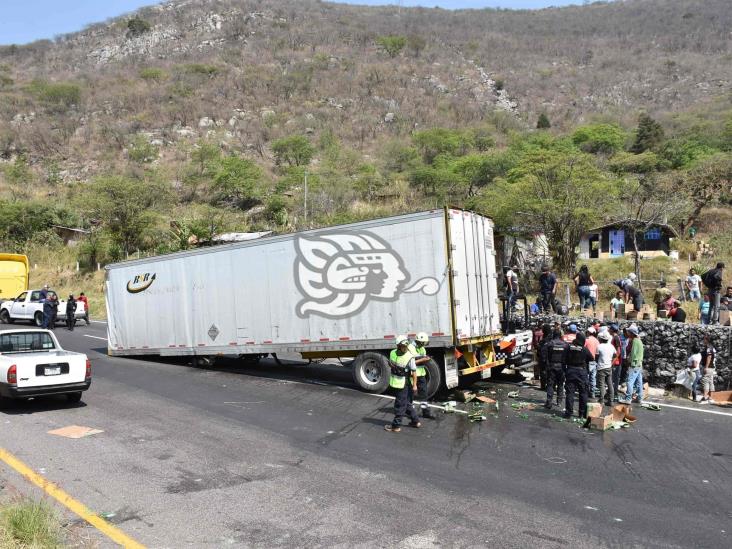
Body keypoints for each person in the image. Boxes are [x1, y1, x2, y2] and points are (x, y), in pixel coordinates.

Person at [385, 335, 420, 432]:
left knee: (399, 404)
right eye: (403, 346)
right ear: (398, 346)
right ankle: (415, 421)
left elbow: (414, 372)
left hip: (404, 384)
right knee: (406, 403)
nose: (405, 348)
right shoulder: (392, 353)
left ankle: (396, 426)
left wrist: (415, 386)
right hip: (395, 383)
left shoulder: (410, 357)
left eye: (406, 346)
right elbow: (393, 364)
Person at [564, 332, 592, 419]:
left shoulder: (568, 347)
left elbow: (563, 358)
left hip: (570, 371)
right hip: (581, 372)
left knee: (570, 392)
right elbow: (592, 358)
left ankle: (568, 412)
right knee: (583, 393)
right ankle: (581, 413)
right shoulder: (584, 349)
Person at [410, 332, 435, 420]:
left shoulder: (422, 349)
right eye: (423, 342)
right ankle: (411, 413)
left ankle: (425, 413)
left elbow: (422, 360)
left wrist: (426, 359)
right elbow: (410, 363)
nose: (424, 344)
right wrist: (423, 359)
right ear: (419, 341)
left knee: (424, 394)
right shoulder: (410, 348)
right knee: (411, 394)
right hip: (413, 375)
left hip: (421, 374)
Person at [543, 329, 568, 410]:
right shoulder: (565, 345)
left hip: (552, 367)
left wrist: (545, 364)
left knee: (550, 384)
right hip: (561, 367)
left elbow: (543, 354)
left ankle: (549, 402)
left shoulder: (550, 344)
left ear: (553, 334)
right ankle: (559, 401)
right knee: (560, 384)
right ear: (560, 335)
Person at [621, 325, 644, 404]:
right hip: (639, 364)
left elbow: (633, 354)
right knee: (639, 382)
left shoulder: (634, 341)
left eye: (628, 331)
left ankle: (628, 399)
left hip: (634, 364)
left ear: (631, 333)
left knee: (630, 381)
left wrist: (630, 363)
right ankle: (640, 398)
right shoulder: (639, 340)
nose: (627, 333)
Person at [596, 331, 616, 405]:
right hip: (609, 367)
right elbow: (615, 355)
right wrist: (611, 362)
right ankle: (611, 401)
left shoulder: (599, 346)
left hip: (601, 367)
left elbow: (596, 357)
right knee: (610, 384)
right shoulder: (611, 346)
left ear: (601, 339)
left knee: (601, 385)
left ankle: (601, 400)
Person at [700, 335, 716, 403]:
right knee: (710, 382)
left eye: (704, 339)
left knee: (705, 381)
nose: (703, 341)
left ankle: (705, 397)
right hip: (712, 368)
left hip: (708, 367)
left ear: (707, 340)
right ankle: (710, 398)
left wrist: (706, 367)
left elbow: (709, 357)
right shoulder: (712, 347)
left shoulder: (709, 348)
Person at [584, 327, 600, 398]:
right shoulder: (597, 341)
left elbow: (583, 349)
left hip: (587, 361)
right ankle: (592, 393)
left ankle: (586, 391)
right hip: (594, 361)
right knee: (593, 377)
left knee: (586, 377)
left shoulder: (586, 340)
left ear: (588, 332)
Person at [536, 324, 552, 390]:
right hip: (550, 360)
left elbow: (539, 351)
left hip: (544, 359)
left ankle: (543, 386)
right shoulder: (551, 338)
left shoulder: (544, 341)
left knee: (543, 372)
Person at [609, 324, 623, 399]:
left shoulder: (616, 338)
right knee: (612, 378)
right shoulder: (614, 337)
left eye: (609, 329)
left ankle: (614, 393)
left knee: (614, 378)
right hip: (614, 361)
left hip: (616, 362)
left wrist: (613, 362)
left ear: (612, 330)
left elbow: (618, 351)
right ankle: (612, 393)